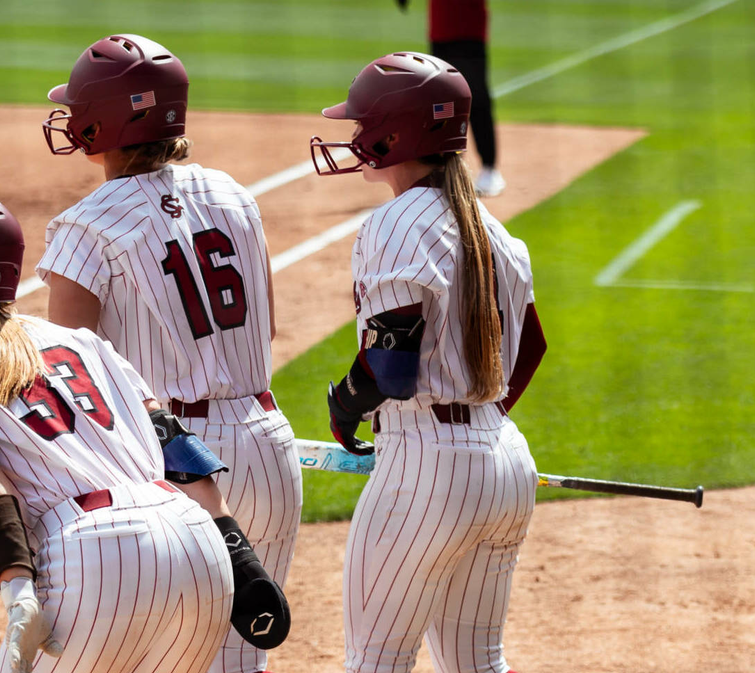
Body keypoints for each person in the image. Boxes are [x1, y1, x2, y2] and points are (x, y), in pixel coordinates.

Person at [0, 185, 289, 673]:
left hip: (97, 559)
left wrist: (19, 594)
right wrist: (238, 553)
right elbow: (174, 443)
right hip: (197, 544)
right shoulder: (84, 343)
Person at [38, 34, 302, 673]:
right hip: (269, 444)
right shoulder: (235, 195)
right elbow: (263, 331)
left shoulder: (87, 225)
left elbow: (69, 380)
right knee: (241, 664)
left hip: (174, 464)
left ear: (102, 122)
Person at [309, 52, 546, 673]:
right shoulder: (499, 234)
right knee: (476, 662)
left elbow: (390, 367)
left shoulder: (394, 223)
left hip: (425, 473)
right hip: (507, 465)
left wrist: (344, 406)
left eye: (363, 124)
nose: (354, 135)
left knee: (377, 660)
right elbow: (533, 347)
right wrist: (479, 425)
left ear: (395, 133)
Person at [396, 0, 503, 197]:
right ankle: (447, 168)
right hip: (440, 30)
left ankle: (489, 169)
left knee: (477, 99)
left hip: (470, 31)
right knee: (443, 100)